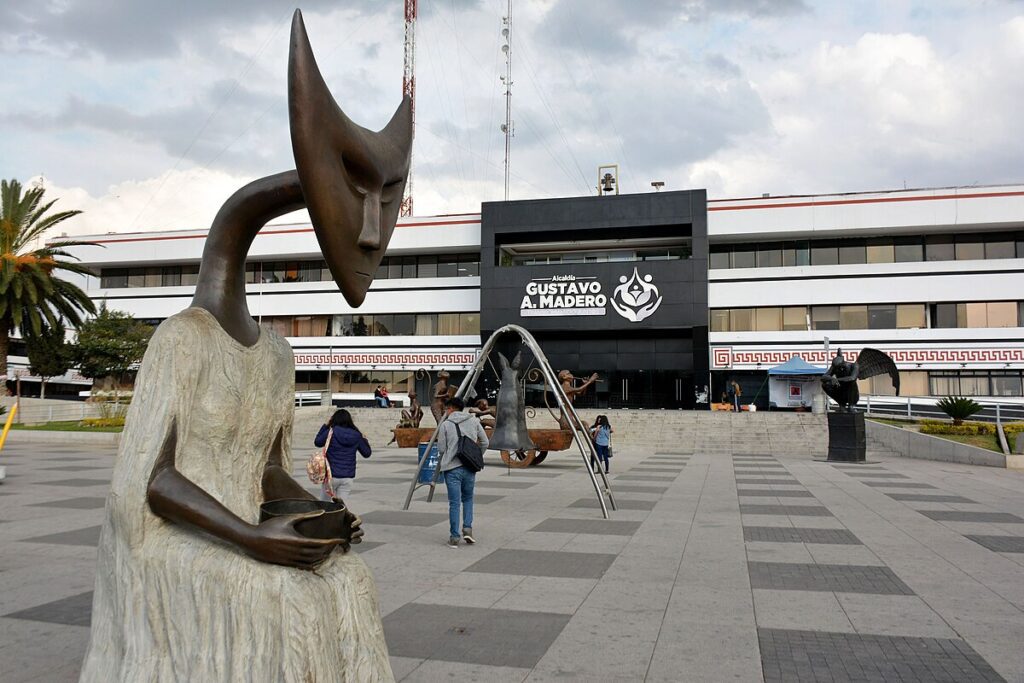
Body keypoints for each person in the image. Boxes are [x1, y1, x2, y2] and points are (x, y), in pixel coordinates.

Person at [436, 396, 489, 548]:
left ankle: (454, 537)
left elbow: (441, 448)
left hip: (452, 468)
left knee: (454, 503)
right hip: (469, 467)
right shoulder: (474, 421)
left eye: (446, 409)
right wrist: (476, 456)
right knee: (468, 499)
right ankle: (467, 529)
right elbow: (485, 442)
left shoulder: (446, 425)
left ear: (450, 408)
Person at [314, 409, 372, 502]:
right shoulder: (356, 434)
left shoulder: (331, 432)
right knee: (341, 506)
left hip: (331, 476)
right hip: (347, 477)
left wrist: (325, 425)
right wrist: (364, 439)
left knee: (324, 505)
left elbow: (317, 442)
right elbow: (367, 453)